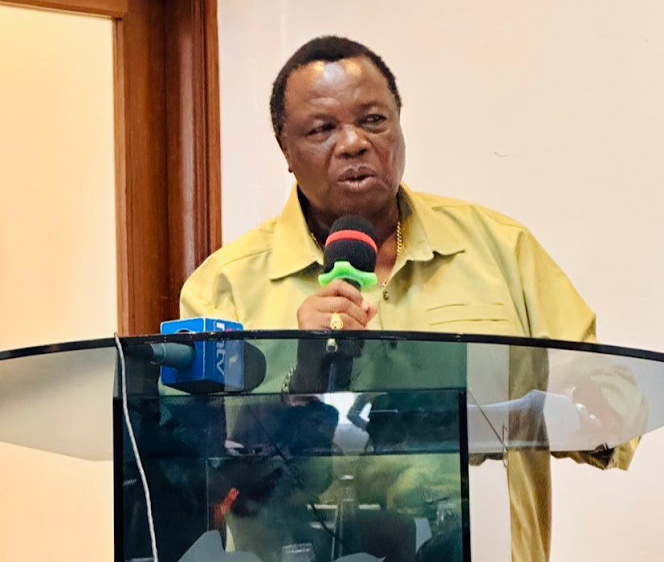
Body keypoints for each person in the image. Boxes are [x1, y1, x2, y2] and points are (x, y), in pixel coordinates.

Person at [180, 35, 639, 561]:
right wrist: (299, 370)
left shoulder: (500, 250)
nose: (353, 142)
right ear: (286, 150)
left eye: (373, 120)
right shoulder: (225, 286)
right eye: (322, 128)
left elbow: (609, 394)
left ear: (399, 125)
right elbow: (207, 473)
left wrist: (536, 416)